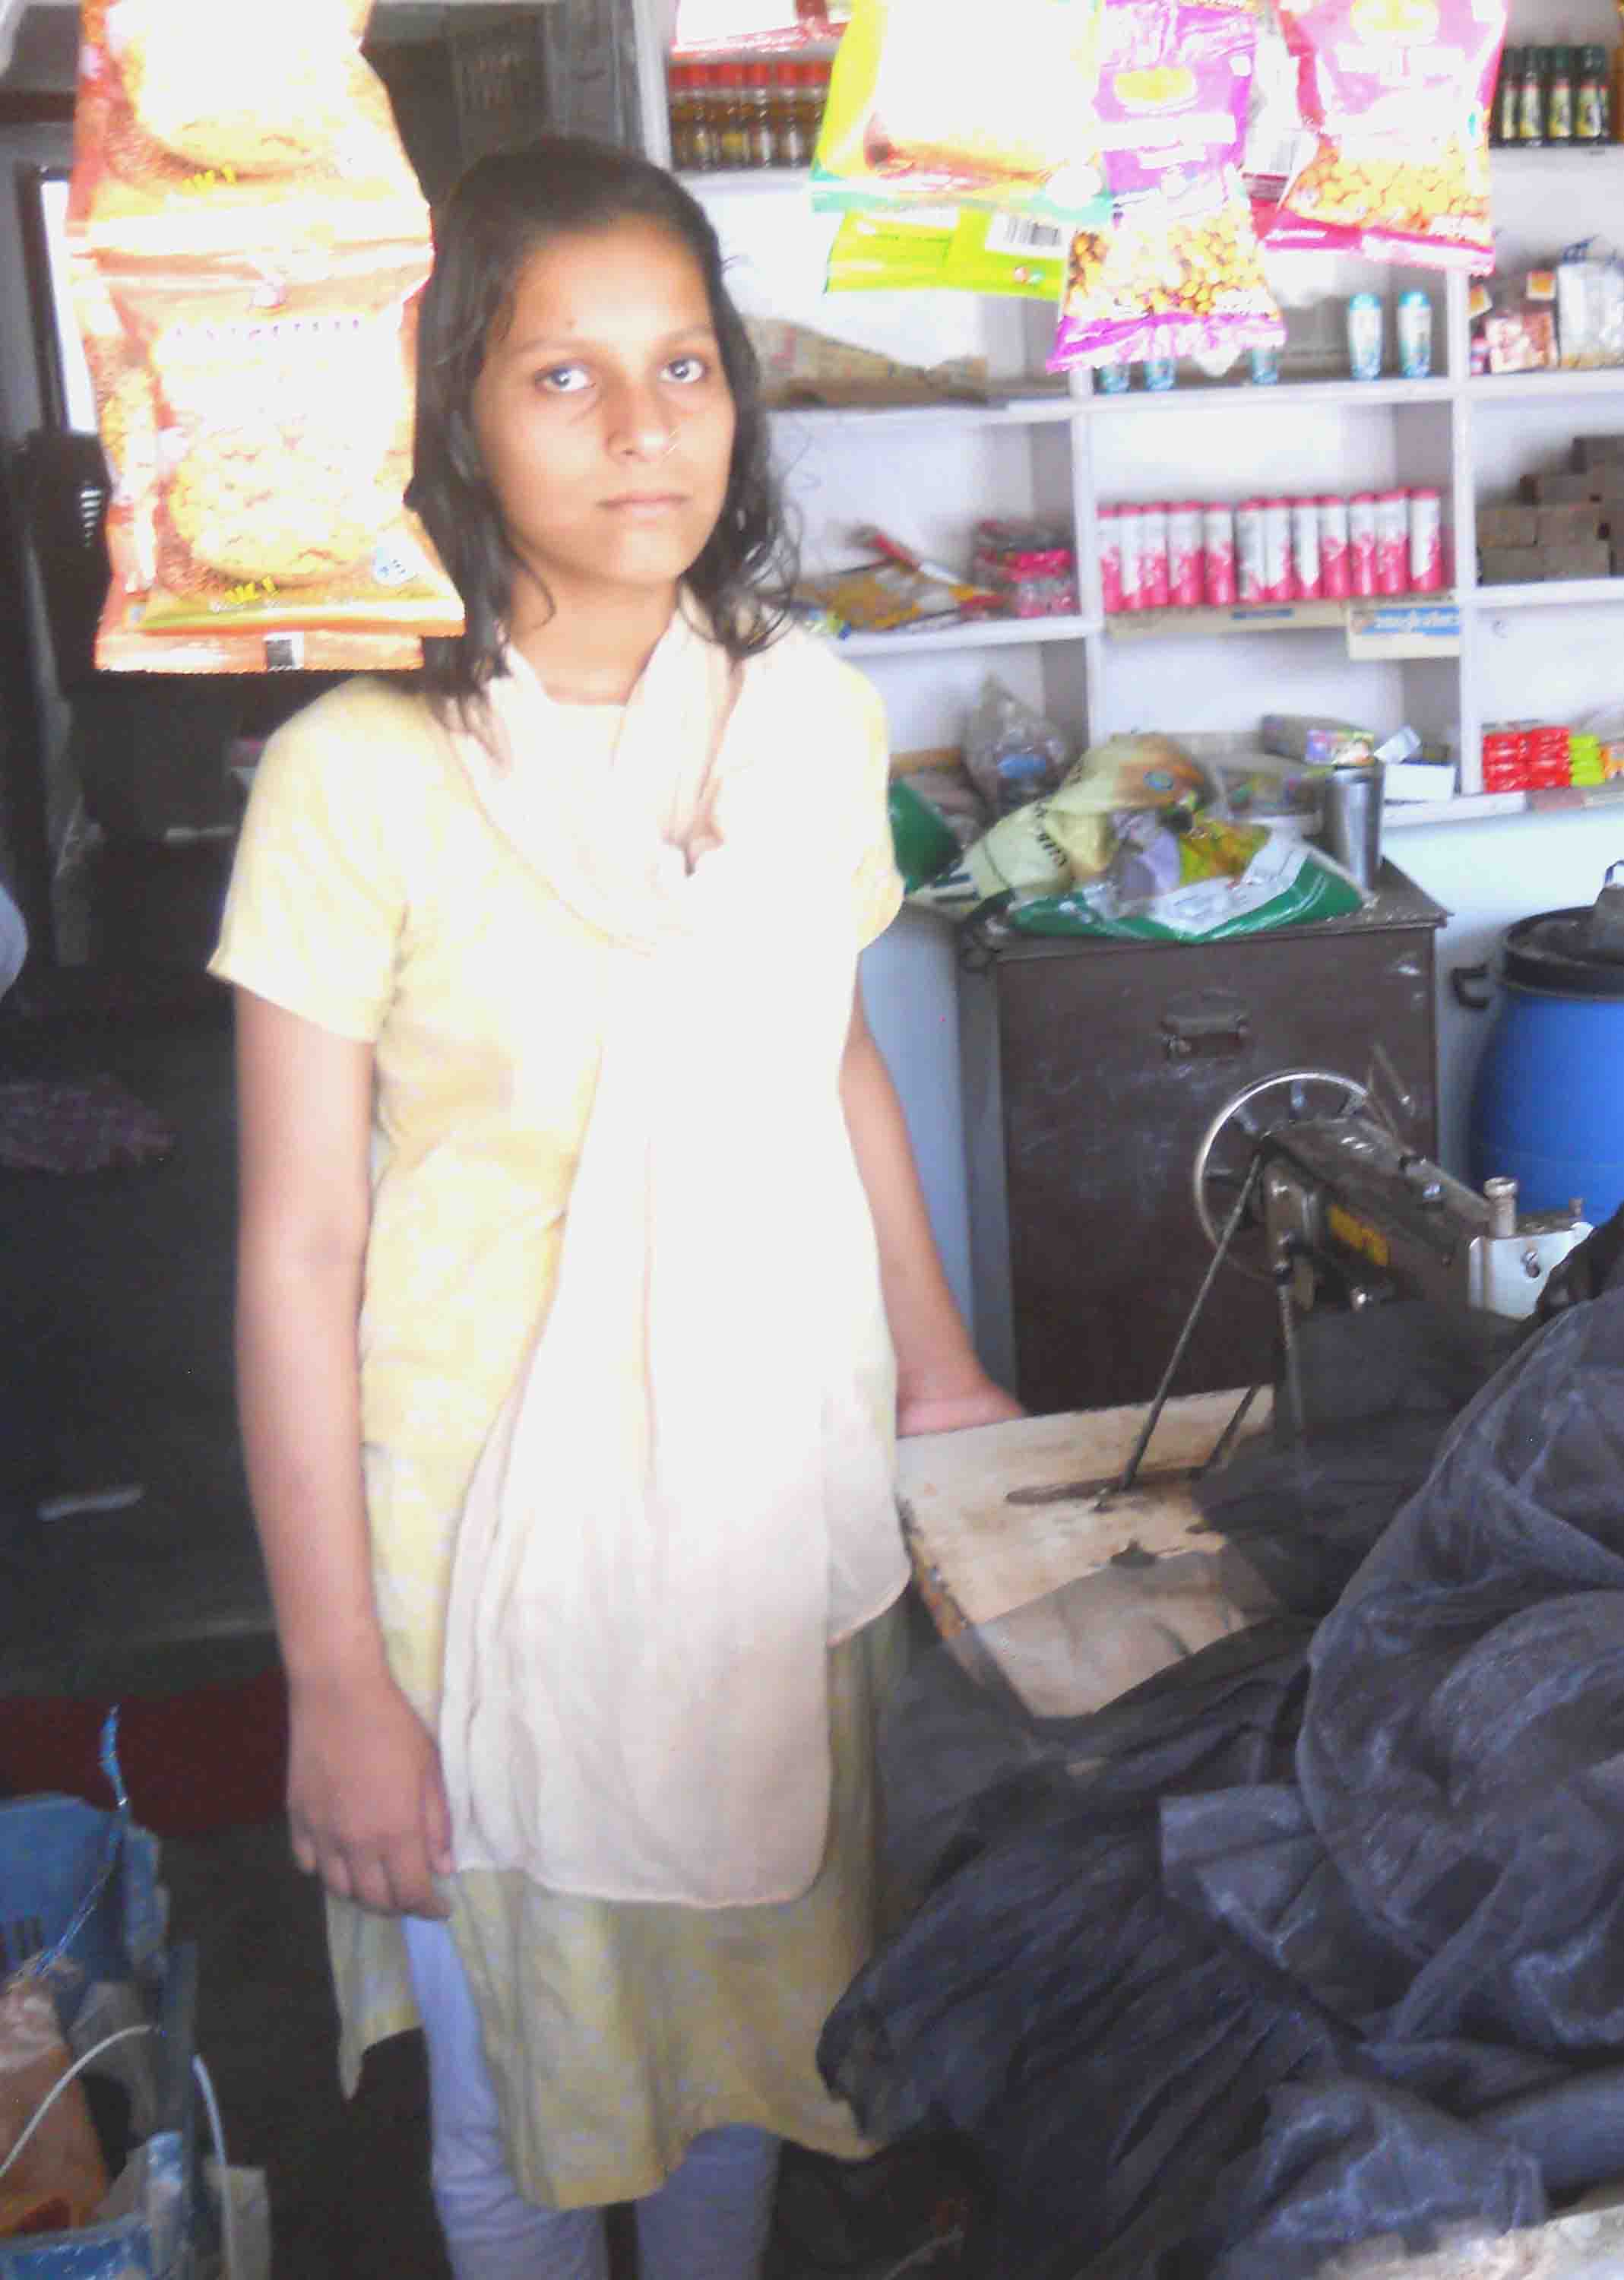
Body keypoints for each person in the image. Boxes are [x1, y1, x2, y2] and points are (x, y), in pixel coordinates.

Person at [215, 140, 1019, 2278]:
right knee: (518, 2116)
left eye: (683, 365)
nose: (644, 423)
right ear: (454, 413)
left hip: (765, 1492)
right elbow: (296, 1246)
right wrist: (333, 1679)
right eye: (562, 377)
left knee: (747, 2059)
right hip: (469, 1550)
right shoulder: (355, 775)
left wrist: (943, 1373)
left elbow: (826, 1047)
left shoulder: (814, 728)